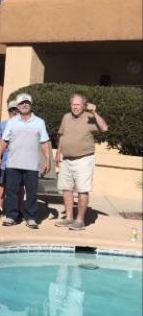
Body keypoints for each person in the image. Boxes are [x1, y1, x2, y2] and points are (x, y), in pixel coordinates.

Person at [0, 93, 50, 229]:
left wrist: (48, 160)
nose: (24, 105)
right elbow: (4, 141)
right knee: (11, 191)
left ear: (30, 105)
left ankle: (30, 217)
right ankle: (11, 216)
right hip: (13, 164)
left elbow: (44, 142)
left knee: (31, 192)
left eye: (27, 103)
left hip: (31, 165)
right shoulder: (12, 122)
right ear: (18, 106)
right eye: (21, 103)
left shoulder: (39, 122)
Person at [54, 93, 108, 230]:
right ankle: (69, 218)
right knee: (66, 188)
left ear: (84, 105)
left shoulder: (90, 117)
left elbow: (104, 128)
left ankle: (80, 220)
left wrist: (95, 112)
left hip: (84, 159)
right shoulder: (66, 117)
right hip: (66, 159)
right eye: (73, 104)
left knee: (83, 190)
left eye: (78, 104)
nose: (75, 107)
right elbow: (62, 135)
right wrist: (58, 153)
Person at [0, 101, 21, 216]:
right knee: (2, 185)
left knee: (19, 187)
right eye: (11, 110)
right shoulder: (2, 124)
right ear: (8, 111)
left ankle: (19, 210)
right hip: (5, 162)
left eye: (16, 110)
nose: (14, 112)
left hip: (20, 163)